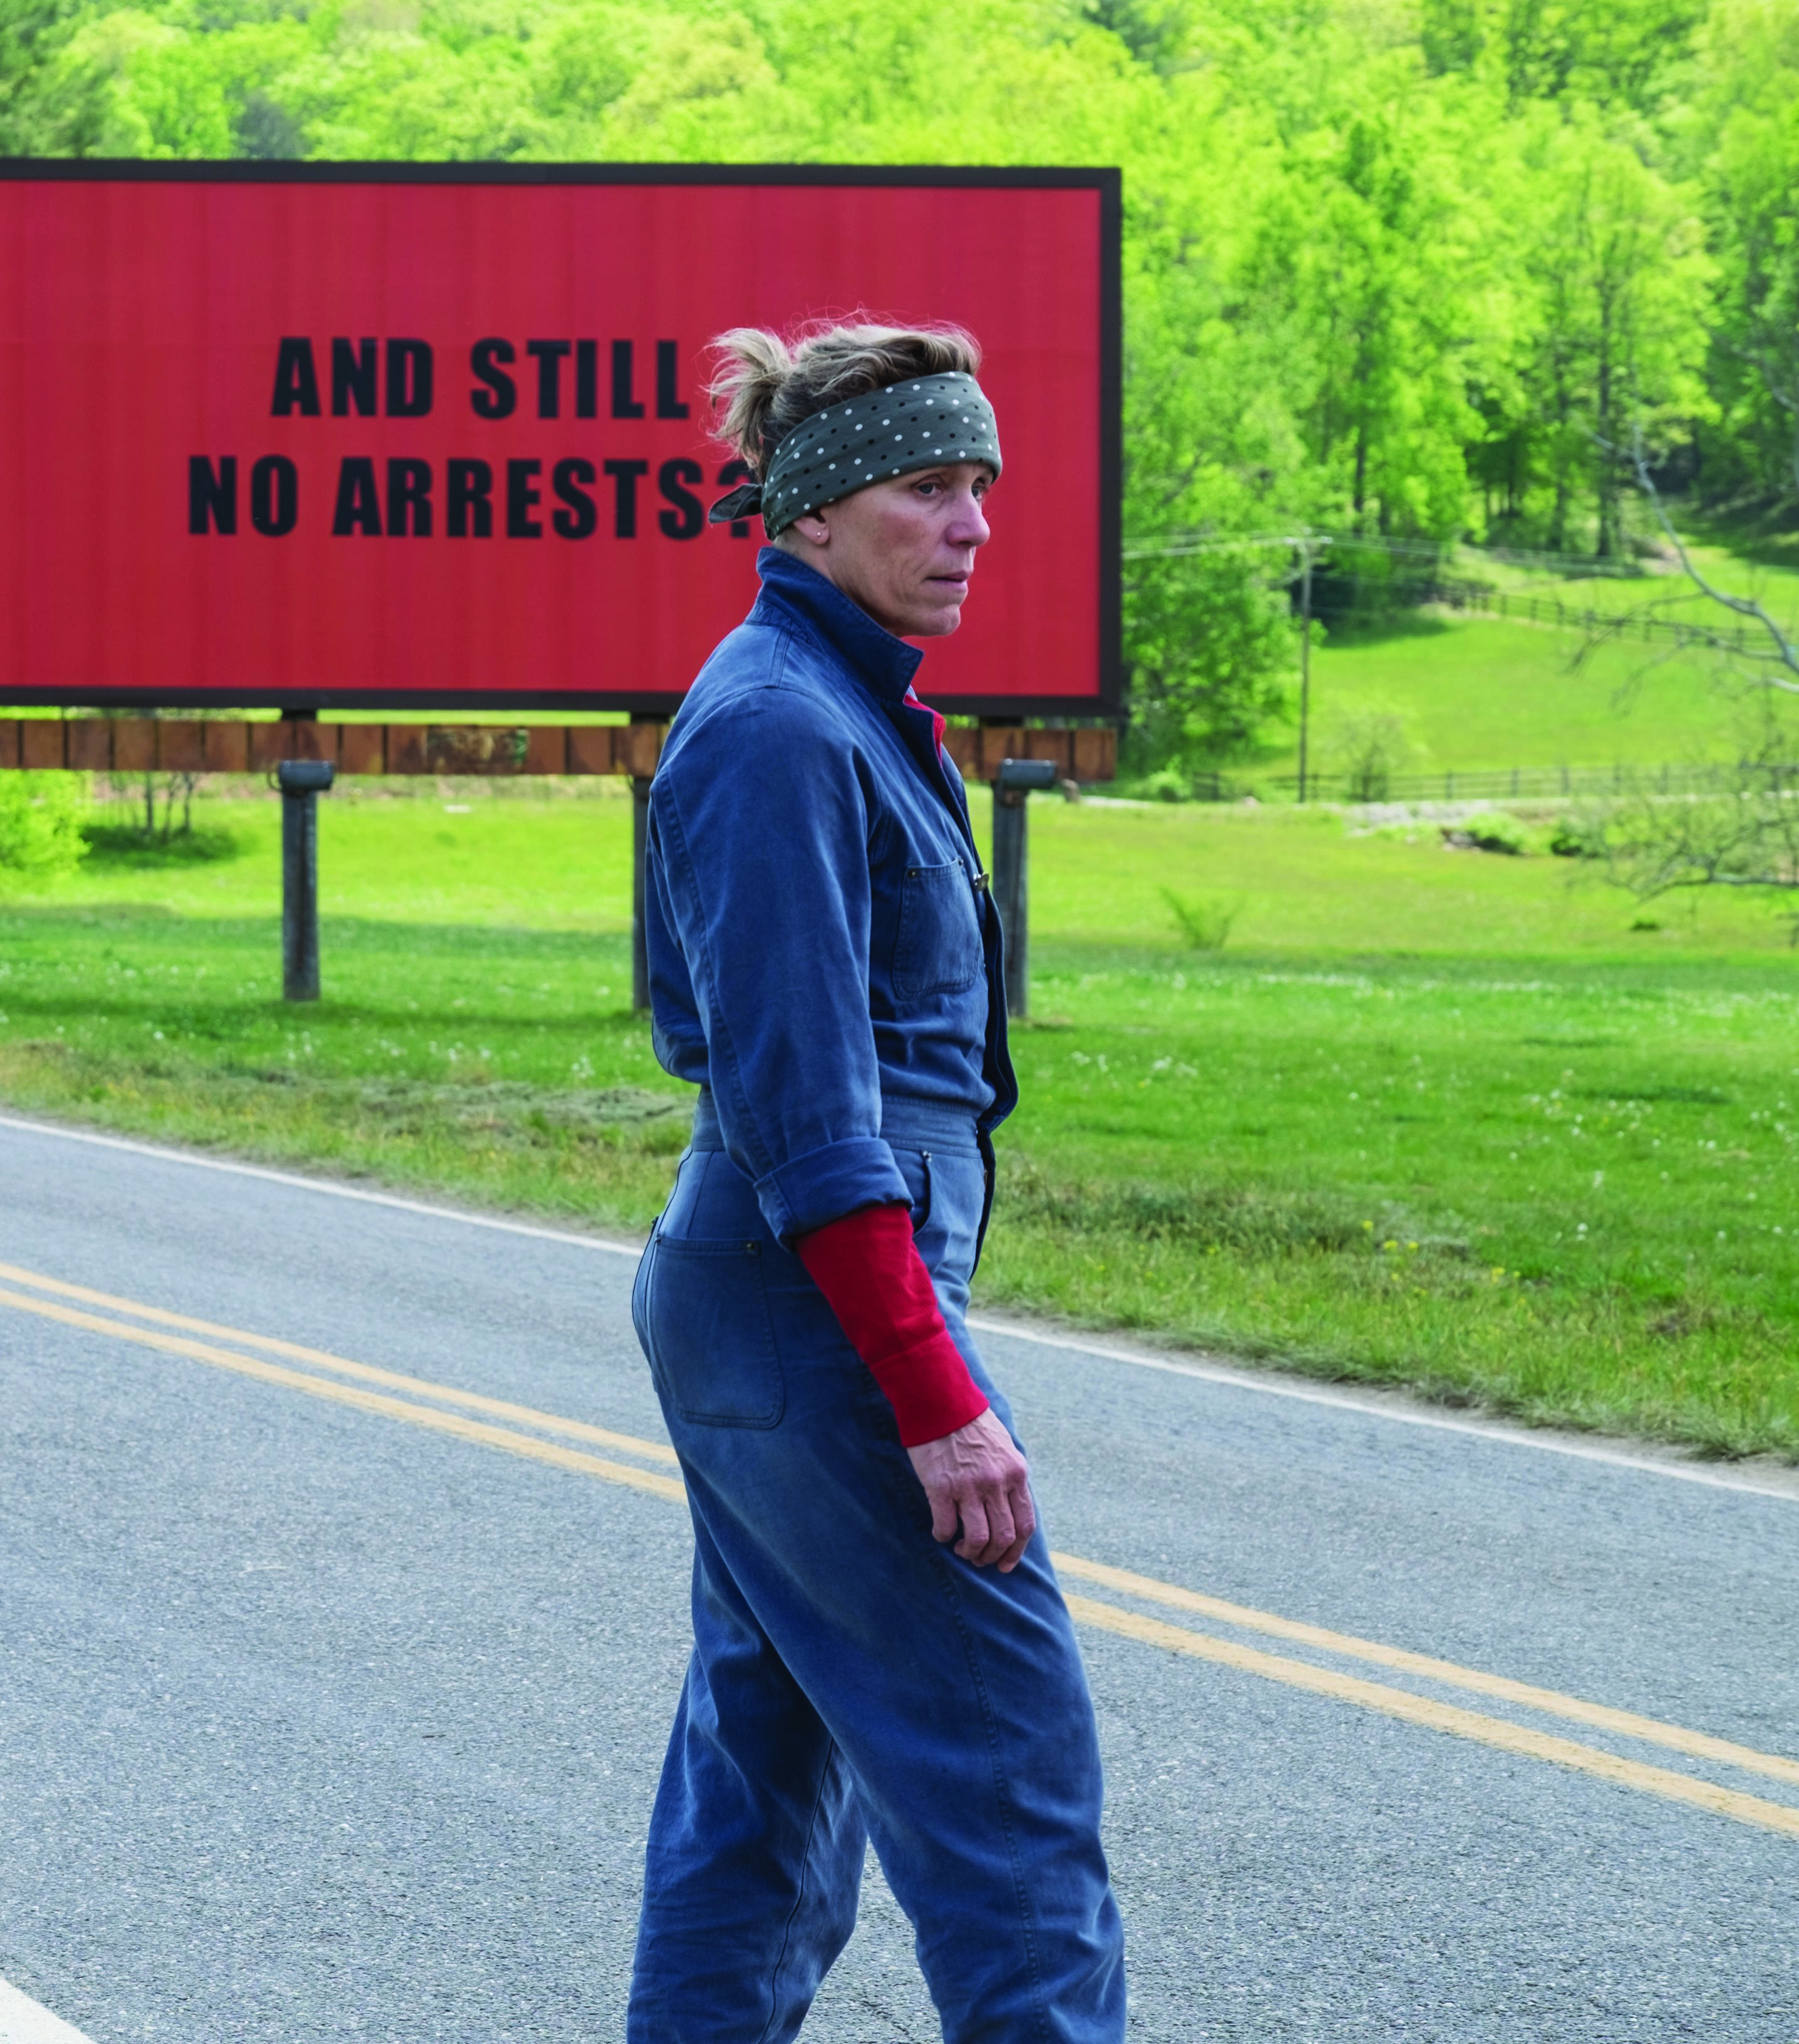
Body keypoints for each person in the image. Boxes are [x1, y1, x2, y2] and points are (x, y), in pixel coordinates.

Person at [626, 321, 1125, 2043]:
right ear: (817, 513)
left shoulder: (839, 707)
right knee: (1009, 1786)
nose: (973, 522)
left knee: (767, 1781)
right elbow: (807, 1115)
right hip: (815, 1310)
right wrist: (933, 1394)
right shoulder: (777, 729)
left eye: (982, 484)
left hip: (789, 1307)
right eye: (930, 485)